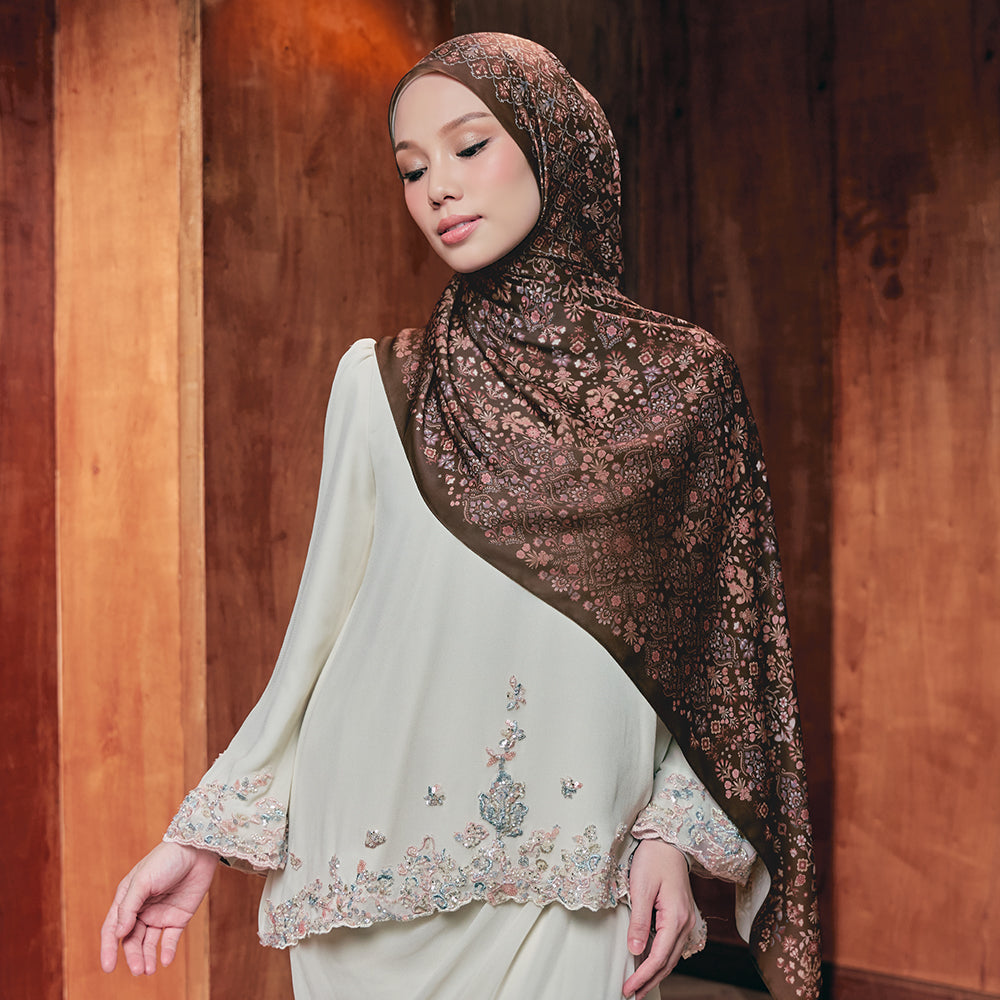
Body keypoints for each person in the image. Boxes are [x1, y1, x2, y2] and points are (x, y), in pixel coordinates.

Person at [100, 32, 820, 1000]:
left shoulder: (684, 384)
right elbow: (319, 633)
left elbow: (722, 651)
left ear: (556, 146)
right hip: (367, 869)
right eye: (411, 168)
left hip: (578, 865)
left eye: (470, 146)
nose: (438, 187)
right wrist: (201, 836)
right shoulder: (379, 382)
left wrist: (671, 833)